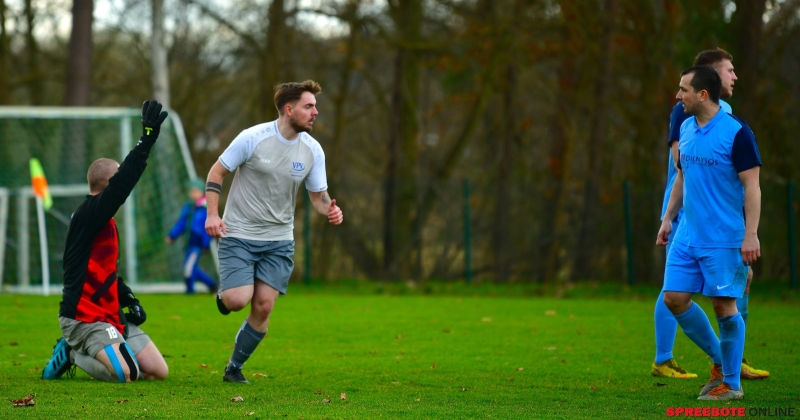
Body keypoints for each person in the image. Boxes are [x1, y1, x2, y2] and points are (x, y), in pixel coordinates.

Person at [204, 80, 343, 384]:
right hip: (239, 233)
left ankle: (234, 368)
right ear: (289, 109)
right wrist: (212, 214)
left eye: (315, 106)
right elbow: (217, 172)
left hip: (279, 240)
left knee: (264, 306)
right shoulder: (252, 138)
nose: (315, 112)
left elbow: (318, 195)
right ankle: (224, 295)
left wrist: (330, 209)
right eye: (309, 106)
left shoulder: (312, 150)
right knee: (237, 300)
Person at [652, 48, 768, 381]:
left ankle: (730, 378)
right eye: (729, 70)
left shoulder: (735, 128)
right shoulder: (685, 122)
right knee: (674, 295)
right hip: (688, 228)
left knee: (724, 303)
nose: (677, 96)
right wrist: (668, 218)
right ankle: (720, 359)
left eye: (683, 90)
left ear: (703, 92)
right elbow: (682, 174)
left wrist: (750, 233)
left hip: (722, 232)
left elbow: (752, 186)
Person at [41, 100, 170, 383]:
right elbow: (123, 183)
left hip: (109, 315)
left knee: (158, 372)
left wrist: (129, 299)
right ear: (110, 183)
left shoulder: (105, 222)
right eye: (119, 175)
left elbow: (107, 273)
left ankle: (110, 347)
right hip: (83, 318)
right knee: (128, 374)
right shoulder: (88, 214)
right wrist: (146, 140)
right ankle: (72, 352)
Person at [166, 178, 218, 294]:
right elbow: (181, 224)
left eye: (194, 191)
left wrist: (205, 243)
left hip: (197, 244)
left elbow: (208, 228)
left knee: (188, 268)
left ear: (201, 192)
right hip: (188, 243)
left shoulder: (206, 209)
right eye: (191, 191)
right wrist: (172, 236)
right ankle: (212, 285)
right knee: (192, 268)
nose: (192, 193)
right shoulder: (188, 207)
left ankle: (190, 291)